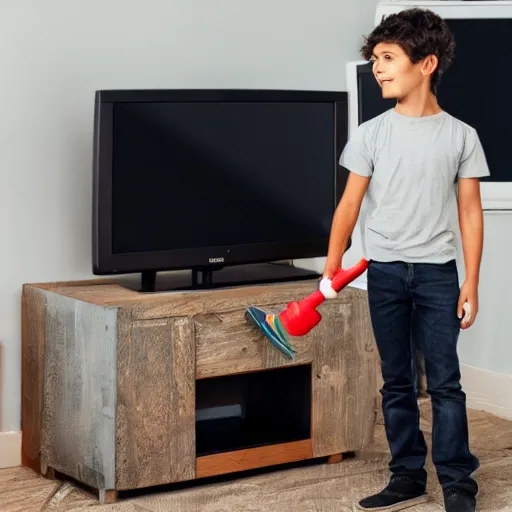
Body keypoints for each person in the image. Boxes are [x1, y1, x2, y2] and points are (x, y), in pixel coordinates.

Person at [323, 8, 489, 512]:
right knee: (397, 380)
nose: (378, 67)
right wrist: (332, 267)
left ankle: (459, 481)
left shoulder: (461, 136)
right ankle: (407, 475)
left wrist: (471, 283)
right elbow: (349, 204)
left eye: (388, 58)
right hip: (385, 273)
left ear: (427, 63)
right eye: (375, 59)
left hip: (439, 275)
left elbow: (469, 212)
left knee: (445, 382)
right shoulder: (372, 134)